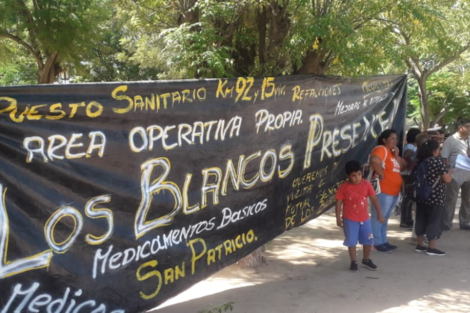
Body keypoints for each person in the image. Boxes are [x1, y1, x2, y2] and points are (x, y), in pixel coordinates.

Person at [335, 160, 385, 271]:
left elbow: (374, 198)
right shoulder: (344, 187)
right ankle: (353, 261)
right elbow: (338, 202)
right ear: (347, 176)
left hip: (364, 219)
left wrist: (380, 213)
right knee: (351, 241)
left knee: (368, 240)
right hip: (349, 219)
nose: (357, 177)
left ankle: (366, 259)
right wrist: (338, 218)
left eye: (359, 174)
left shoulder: (366, 184)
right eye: (353, 175)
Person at [369, 129, 407, 252]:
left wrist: (396, 156)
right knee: (378, 216)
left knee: (384, 218)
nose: (395, 141)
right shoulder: (381, 149)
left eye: (396, 139)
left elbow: (403, 166)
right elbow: (374, 160)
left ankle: (383, 240)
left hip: (393, 192)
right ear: (384, 139)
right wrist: (382, 174)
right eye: (392, 138)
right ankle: (376, 242)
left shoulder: (391, 153)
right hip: (383, 190)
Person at [414, 140, 453, 256]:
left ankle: (420, 244)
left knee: (421, 219)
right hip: (435, 196)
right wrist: (450, 172)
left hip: (421, 195)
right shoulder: (437, 162)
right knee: (434, 220)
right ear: (435, 151)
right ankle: (431, 247)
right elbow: (447, 179)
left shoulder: (420, 162)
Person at [441, 118, 470, 230]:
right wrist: (445, 173)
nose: (469, 129)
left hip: (468, 172)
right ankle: (446, 222)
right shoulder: (451, 140)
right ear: (460, 128)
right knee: (450, 198)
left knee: (467, 199)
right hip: (454, 172)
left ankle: (465, 221)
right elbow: (444, 157)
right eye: (467, 126)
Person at [400, 128, 421, 229]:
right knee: (407, 197)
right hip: (407, 174)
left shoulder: (413, 146)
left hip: (409, 173)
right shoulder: (409, 146)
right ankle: (404, 220)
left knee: (410, 198)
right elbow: (406, 156)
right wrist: (412, 163)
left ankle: (408, 219)